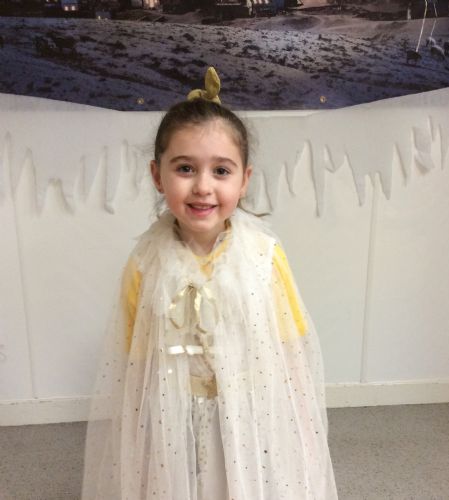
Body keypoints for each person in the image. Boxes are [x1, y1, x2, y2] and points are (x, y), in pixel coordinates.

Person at [82, 68, 337, 500]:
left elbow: (291, 347)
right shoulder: (146, 263)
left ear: (244, 179)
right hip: (172, 412)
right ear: (157, 176)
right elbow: (134, 360)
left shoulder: (263, 257)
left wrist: (301, 427)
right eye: (185, 168)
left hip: (248, 410)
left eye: (221, 170)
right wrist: (137, 439)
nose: (203, 187)